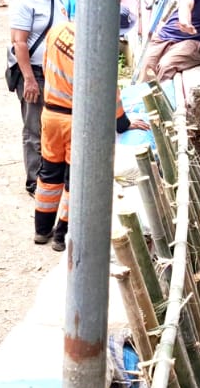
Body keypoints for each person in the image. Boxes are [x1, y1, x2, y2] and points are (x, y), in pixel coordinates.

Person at [34, 20, 146, 250]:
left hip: (51, 115)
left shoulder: (57, 31)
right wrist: (124, 124)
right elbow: (110, 94)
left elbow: (46, 68)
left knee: (48, 173)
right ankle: (61, 236)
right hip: (78, 121)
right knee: (74, 179)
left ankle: (41, 230)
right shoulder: (98, 47)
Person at [8, 0, 70, 196]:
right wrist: (30, 81)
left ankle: (53, 175)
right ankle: (35, 180)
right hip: (33, 72)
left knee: (54, 125)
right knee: (35, 127)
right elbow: (19, 43)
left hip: (55, 73)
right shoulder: (25, 1)